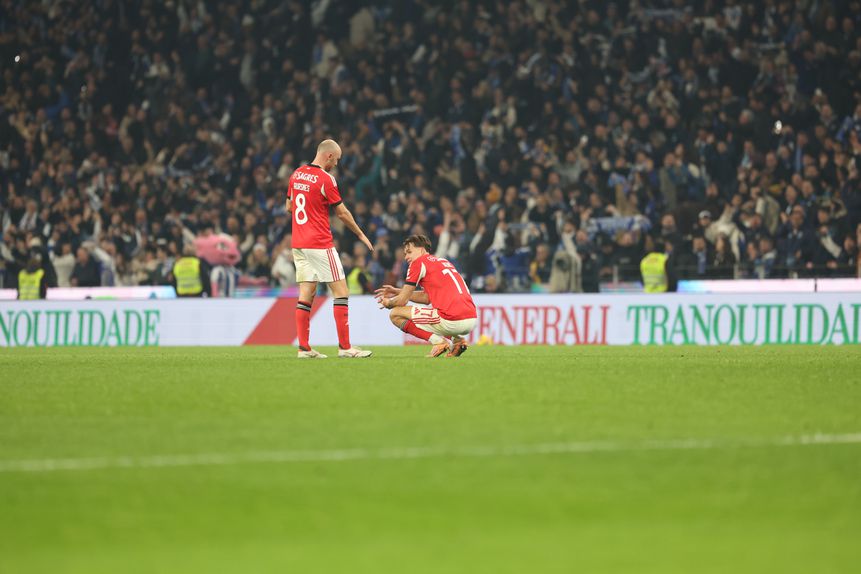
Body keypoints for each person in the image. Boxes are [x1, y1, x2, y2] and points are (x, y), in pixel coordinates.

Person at [286, 139, 374, 359]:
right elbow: (342, 213)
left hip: (299, 244)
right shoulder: (326, 179)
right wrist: (361, 234)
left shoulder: (296, 174)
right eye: (337, 159)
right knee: (342, 292)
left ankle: (304, 348)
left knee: (307, 293)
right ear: (328, 156)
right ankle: (345, 348)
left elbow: (289, 206)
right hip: (319, 244)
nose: (336, 164)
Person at [374, 234, 477, 358]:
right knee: (435, 315)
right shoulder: (442, 261)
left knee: (395, 314)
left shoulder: (418, 263)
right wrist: (398, 291)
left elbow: (402, 301)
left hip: (451, 319)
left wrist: (388, 303)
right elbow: (427, 298)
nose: (406, 257)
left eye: (409, 252)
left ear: (422, 250)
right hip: (472, 318)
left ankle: (439, 342)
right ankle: (458, 341)